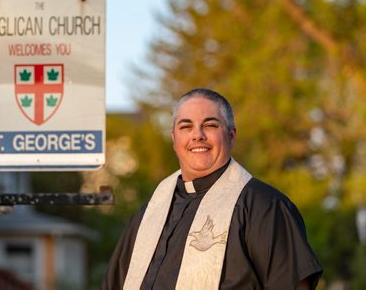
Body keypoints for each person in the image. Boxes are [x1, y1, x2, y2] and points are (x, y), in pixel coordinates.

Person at [102, 88, 322, 289]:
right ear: (174, 138)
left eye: (210, 125)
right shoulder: (150, 212)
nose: (197, 135)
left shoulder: (265, 207)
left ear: (231, 135)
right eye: (186, 126)